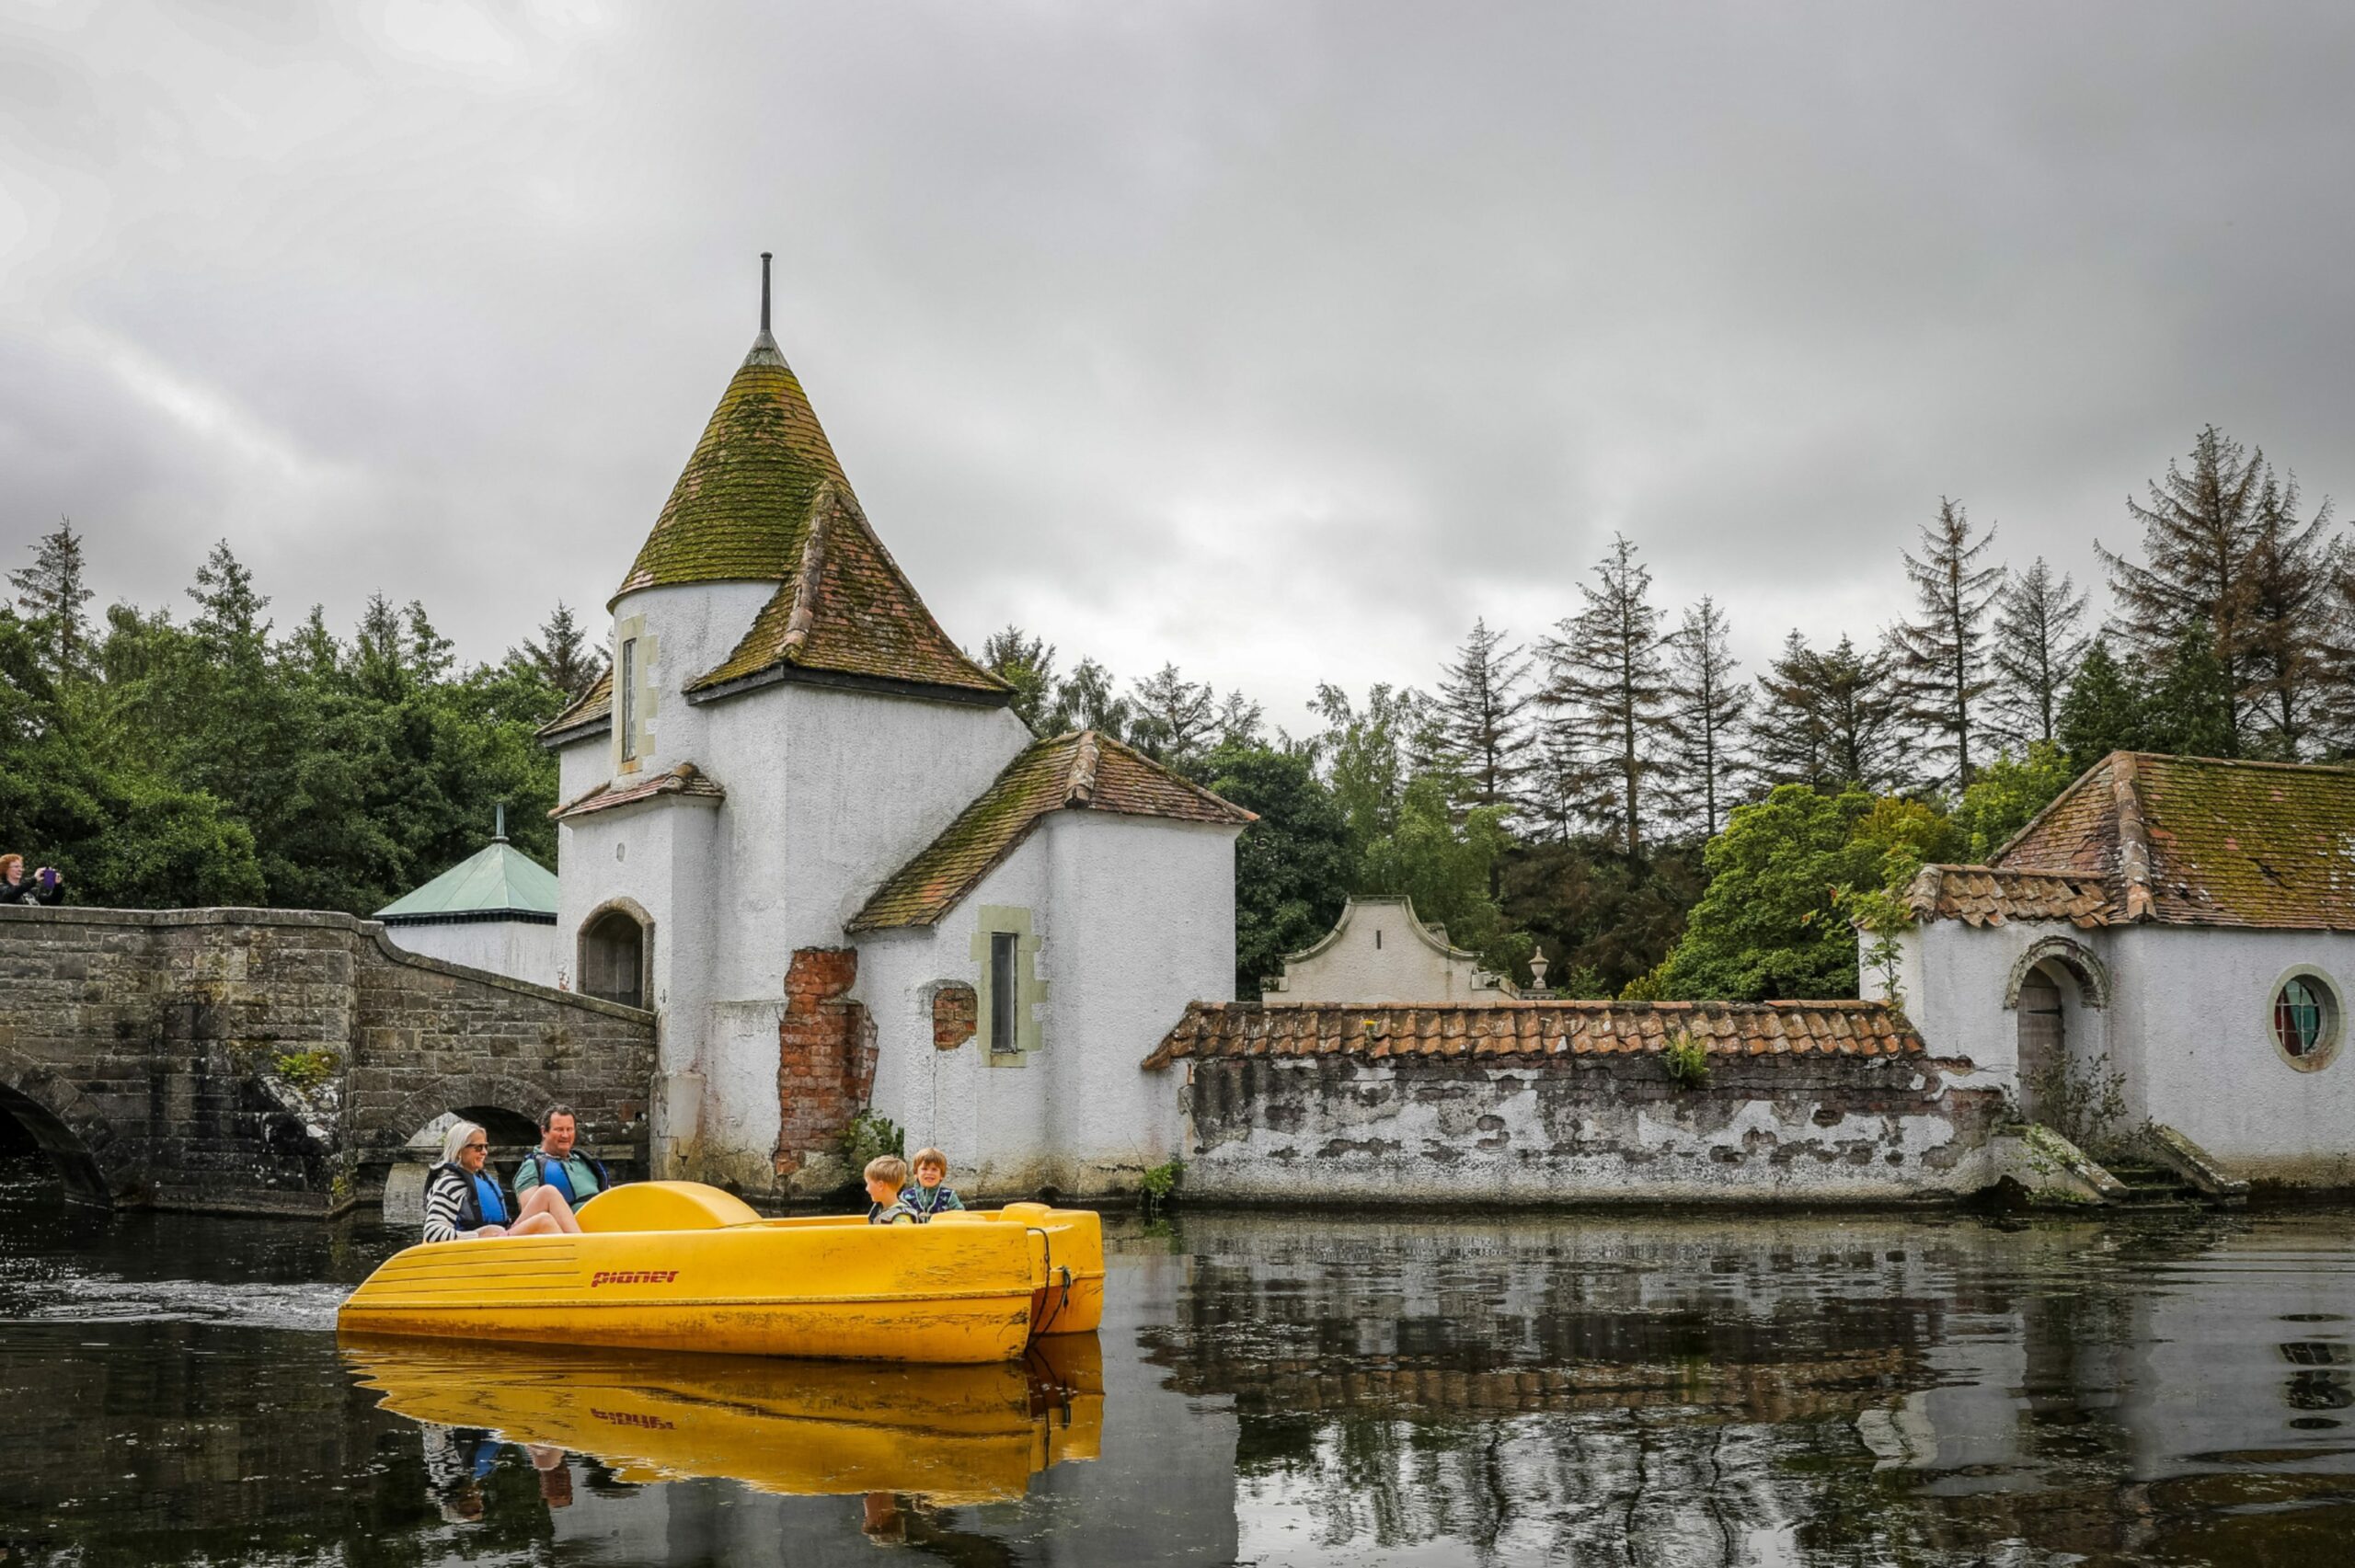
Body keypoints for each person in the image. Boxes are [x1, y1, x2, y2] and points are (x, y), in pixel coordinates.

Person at [422, 1120, 581, 1243]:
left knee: (548, 1192)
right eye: (478, 1148)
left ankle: (583, 1245)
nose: (484, 1152)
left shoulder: (479, 1178)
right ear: (459, 1150)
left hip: (500, 1236)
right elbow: (432, 1232)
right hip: (481, 1248)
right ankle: (578, 1262)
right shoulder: (449, 1184)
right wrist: (477, 1235)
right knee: (544, 1221)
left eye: (485, 1146)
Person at [512, 1104, 613, 1209]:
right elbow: (530, 1216)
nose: (565, 1135)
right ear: (544, 1132)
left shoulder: (585, 1161)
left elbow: (611, 1196)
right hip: (570, 1224)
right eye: (559, 1129)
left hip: (605, 1220)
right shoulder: (532, 1167)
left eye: (569, 1129)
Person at [902, 1147, 965, 1219]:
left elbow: (961, 1215)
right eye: (924, 1169)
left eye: (934, 1169)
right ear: (916, 1173)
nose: (929, 1173)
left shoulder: (949, 1196)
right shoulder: (905, 1197)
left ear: (941, 1175)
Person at [864, 1155, 919, 1225]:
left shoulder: (901, 1218)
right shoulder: (878, 1209)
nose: (866, 1189)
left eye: (868, 1183)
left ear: (880, 1185)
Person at [0, 854, 64, 907]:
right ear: (5, 869)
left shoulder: (31, 891)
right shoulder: (2, 888)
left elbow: (52, 902)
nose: (20, 870)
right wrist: (34, 879)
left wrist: (57, 886)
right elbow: (11, 894)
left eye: (21, 867)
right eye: (16, 867)